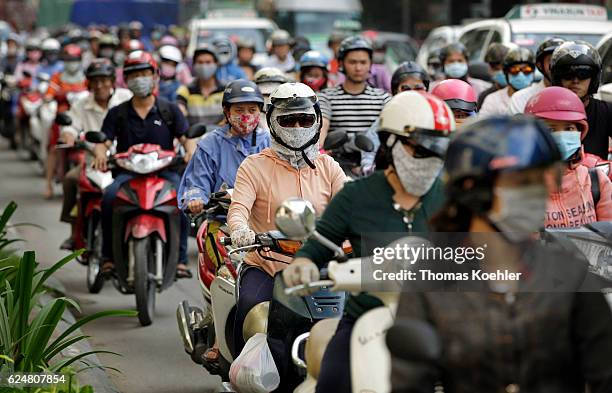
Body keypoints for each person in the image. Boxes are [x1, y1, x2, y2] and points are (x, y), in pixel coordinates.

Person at [391, 116, 612, 393]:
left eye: (539, 182)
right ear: (474, 189)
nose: (535, 195)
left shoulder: (570, 274)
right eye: (522, 182)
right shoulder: (431, 282)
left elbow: (605, 372)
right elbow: (409, 382)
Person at [283, 91, 454, 393]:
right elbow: (316, 246)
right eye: (420, 149)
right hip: (365, 318)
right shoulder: (355, 196)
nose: (429, 160)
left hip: (440, 319)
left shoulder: (454, 198)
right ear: (391, 142)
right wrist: (304, 264)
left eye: (438, 151)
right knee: (333, 382)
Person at [227, 83, 346, 364]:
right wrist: (241, 231)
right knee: (250, 311)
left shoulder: (329, 167)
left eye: (304, 119)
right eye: (287, 120)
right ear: (272, 122)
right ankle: (240, 369)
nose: (296, 126)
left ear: (316, 120)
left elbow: (353, 208)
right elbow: (238, 208)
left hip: (323, 269)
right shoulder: (253, 166)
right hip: (268, 266)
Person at [92, 50, 197, 278]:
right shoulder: (117, 113)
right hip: (127, 176)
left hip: (165, 174)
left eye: (144, 73)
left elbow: (187, 138)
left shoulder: (170, 110)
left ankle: (180, 260)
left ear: (155, 75)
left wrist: (190, 151)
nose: (139, 79)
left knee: (183, 200)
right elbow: (103, 141)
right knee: (109, 198)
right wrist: (100, 153)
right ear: (126, 80)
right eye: (134, 74)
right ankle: (108, 257)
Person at [58, 59, 132, 250]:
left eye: (104, 80)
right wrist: (68, 135)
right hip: (92, 163)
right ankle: (74, 230)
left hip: (125, 162)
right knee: (70, 179)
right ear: (88, 83)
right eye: (95, 80)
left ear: (112, 81)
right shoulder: (81, 104)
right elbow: (70, 125)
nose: (100, 85)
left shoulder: (126, 98)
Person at [524, 86, 612, 228]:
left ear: (580, 132)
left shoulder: (596, 181)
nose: (560, 136)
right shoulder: (522, 187)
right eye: (551, 129)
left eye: (569, 128)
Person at [179, 79, 270, 213]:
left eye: (252, 110)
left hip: (261, 217)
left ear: (259, 111)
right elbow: (197, 181)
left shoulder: (269, 142)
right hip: (221, 218)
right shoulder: (209, 144)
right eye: (239, 110)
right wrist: (196, 198)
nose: (246, 116)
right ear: (227, 111)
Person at [319, 36, 391, 145]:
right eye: (352, 62)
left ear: (370, 64)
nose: (358, 68)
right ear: (341, 64)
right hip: (336, 159)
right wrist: (321, 150)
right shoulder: (326, 97)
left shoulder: (383, 99)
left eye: (363, 62)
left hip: (373, 160)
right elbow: (322, 128)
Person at [362, 61, 430, 173]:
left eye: (418, 88)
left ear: (427, 90)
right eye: (406, 88)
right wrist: (369, 169)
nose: (412, 93)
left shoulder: (434, 117)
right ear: (395, 92)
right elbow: (370, 152)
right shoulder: (387, 119)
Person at [550, 40, 612, 160]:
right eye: (567, 73)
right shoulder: (543, 110)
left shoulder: (606, 111)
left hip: (596, 177)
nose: (575, 80)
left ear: (594, 78)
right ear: (557, 77)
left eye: (583, 73)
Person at [43, 44, 88, 199]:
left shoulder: (86, 78)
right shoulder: (58, 76)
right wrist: (58, 95)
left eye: (74, 59)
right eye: (68, 59)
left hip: (82, 118)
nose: (71, 63)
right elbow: (48, 94)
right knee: (54, 148)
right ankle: (48, 184)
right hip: (62, 118)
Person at [509, 37, 565, 115]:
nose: (557, 65)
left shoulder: (579, 94)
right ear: (540, 66)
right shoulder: (521, 98)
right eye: (552, 60)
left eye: (562, 60)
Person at [176, 44, 224, 127]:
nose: (204, 66)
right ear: (194, 65)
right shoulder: (185, 90)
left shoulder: (225, 90)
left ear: (216, 64)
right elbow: (180, 110)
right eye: (200, 62)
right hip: (194, 138)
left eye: (208, 62)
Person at [480, 47, 536, 117]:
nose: (520, 74)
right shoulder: (492, 100)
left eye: (526, 70)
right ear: (506, 73)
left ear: (533, 72)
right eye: (514, 70)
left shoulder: (541, 95)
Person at [477, 42, 514, 110]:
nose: (501, 72)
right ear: (489, 69)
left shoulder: (521, 93)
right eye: (497, 69)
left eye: (504, 69)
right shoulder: (485, 96)